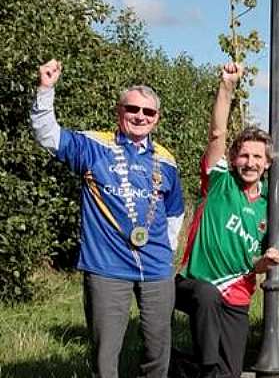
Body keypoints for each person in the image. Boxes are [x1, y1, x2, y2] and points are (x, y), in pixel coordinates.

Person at [31, 59, 185, 378]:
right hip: (106, 266)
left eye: (148, 112)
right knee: (106, 353)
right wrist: (46, 90)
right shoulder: (94, 145)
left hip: (156, 267)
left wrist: (164, 252)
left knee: (159, 349)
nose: (140, 116)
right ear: (120, 112)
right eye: (133, 109)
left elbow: (175, 212)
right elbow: (49, 136)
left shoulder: (166, 160)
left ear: (157, 120)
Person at [175, 62, 279, 378]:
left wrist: (264, 263)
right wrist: (227, 87)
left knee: (230, 373)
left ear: (266, 164)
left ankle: (184, 367)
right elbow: (217, 132)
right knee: (207, 300)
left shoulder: (269, 205)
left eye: (257, 157)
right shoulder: (220, 181)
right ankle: (201, 364)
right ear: (234, 158)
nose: (250, 162)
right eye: (244, 155)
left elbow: (258, 262)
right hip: (194, 282)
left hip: (237, 293)